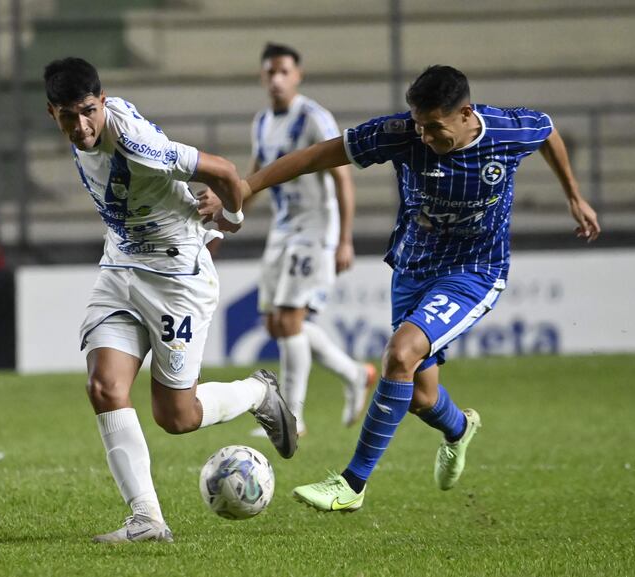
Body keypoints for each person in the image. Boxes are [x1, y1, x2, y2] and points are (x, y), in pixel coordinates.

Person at [208, 65, 600, 512]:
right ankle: (458, 429)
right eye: (419, 126)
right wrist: (245, 184)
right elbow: (317, 155)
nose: (425, 136)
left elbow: (547, 131)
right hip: (413, 268)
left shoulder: (508, 130)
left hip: (475, 270)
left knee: (399, 355)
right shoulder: (401, 133)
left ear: (466, 114)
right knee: (420, 396)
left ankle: (351, 485)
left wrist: (574, 195)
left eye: (434, 127)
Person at [43, 57, 297, 543]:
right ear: (50, 112)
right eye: (68, 116)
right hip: (120, 267)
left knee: (176, 417)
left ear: (102, 102)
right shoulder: (87, 127)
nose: (81, 126)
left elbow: (222, 170)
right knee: (103, 387)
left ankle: (258, 393)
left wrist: (232, 217)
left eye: (89, 111)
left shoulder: (137, 143)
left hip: (176, 277)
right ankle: (146, 519)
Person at [199, 43, 376, 437]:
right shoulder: (262, 122)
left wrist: (344, 238)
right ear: (263, 77)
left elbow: (342, 177)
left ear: (298, 76)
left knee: (291, 320)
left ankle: (291, 417)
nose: (277, 79)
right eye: (270, 72)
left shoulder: (314, 118)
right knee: (277, 324)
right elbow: (256, 178)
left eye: (284, 71)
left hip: (316, 228)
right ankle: (355, 373)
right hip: (283, 229)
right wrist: (231, 216)